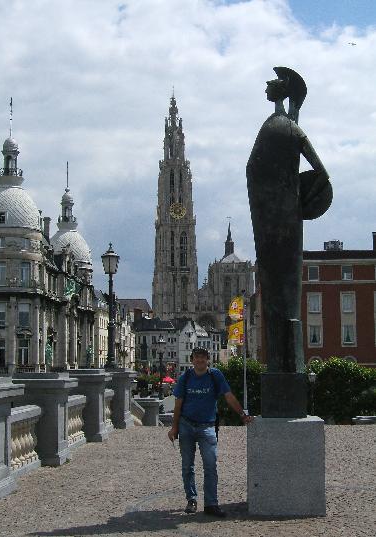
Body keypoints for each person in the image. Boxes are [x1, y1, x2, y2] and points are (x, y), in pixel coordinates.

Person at [246, 66, 332, 373]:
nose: (266, 87)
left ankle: (285, 363)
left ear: (280, 91)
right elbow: (319, 172)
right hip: (277, 216)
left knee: (279, 289)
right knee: (278, 290)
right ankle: (285, 362)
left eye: (271, 84)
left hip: (276, 218)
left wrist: (299, 197)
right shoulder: (285, 126)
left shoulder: (279, 126)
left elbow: (319, 172)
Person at [168, 347, 253, 517]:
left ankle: (211, 503)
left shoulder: (215, 375)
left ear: (208, 360)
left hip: (207, 426)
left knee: (210, 465)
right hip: (186, 424)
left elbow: (228, 396)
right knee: (187, 465)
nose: (200, 360)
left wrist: (242, 415)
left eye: (203, 357)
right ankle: (191, 499)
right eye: (197, 357)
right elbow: (178, 404)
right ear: (192, 360)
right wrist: (174, 427)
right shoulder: (185, 378)